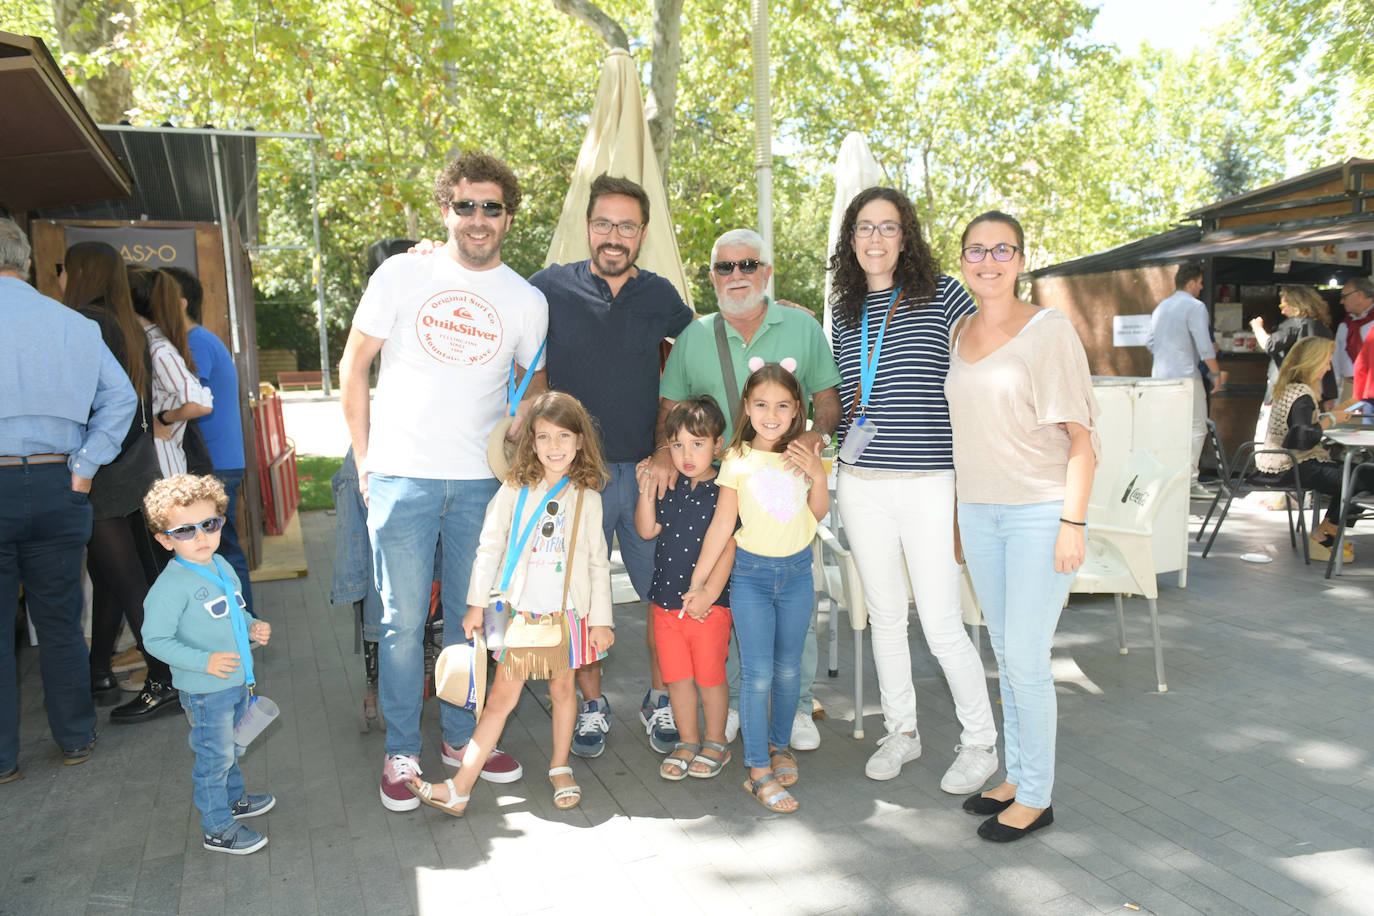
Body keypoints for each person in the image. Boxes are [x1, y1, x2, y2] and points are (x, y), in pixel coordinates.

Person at [339, 151, 547, 810]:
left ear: (508, 217)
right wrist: (366, 460)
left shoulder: (526, 298)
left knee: (472, 622)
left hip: (481, 487)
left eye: (491, 207)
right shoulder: (403, 273)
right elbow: (354, 366)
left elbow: (534, 379)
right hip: (402, 478)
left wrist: (525, 418)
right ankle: (402, 751)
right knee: (401, 624)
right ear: (444, 210)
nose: (478, 219)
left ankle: (461, 738)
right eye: (466, 205)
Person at [826, 187, 999, 790]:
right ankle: (901, 730)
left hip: (930, 482)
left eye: (888, 227)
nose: (875, 239)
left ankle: (980, 741)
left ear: (907, 237)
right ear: (851, 241)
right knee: (885, 617)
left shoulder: (943, 294)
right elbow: (847, 398)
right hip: (862, 483)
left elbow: (982, 366)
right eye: (864, 228)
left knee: (943, 623)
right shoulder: (845, 312)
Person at [650, 227, 841, 751]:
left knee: (795, 609)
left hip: (789, 488)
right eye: (724, 268)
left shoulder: (801, 327)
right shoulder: (694, 337)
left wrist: (815, 439)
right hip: (725, 489)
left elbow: (828, 397)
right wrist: (665, 454)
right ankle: (738, 703)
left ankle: (798, 706)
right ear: (712, 276)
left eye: (747, 265)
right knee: (733, 601)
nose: (736, 276)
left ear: (767, 271)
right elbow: (669, 410)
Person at [945, 211, 1099, 842]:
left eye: (1001, 249)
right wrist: (961, 512)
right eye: (976, 250)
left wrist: (1072, 521)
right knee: (1005, 653)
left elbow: (1083, 440)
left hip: (1040, 513)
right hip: (981, 514)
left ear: (1021, 260)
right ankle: (1016, 773)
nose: (988, 260)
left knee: (1026, 659)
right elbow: (966, 437)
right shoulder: (959, 330)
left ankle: (1036, 795)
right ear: (963, 262)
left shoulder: (1048, 329)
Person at [529, 174, 694, 759]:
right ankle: (592, 705)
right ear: (588, 226)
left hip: (651, 475)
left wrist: (667, 451)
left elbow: (699, 358)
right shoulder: (547, 288)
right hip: (577, 479)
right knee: (580, 600)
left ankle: (660, 699)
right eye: (604, 223)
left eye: (627, 225)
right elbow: (497, 316)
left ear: (642, 233)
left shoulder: (662, 296)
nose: (614, 236)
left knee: (664, 597)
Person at [405, 392, 614, 815]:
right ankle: (460, 786)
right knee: (500, 699)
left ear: (579, 441)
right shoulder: (514, 490)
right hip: (512, 612)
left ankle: (559, 767)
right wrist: (476, 604)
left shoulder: (588, 499)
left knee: (563, 689)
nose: (554, 446)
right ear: (530, 443)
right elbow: (489, 547)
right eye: (543, 437)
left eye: (563, 436)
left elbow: (597, 563)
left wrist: (601, 620)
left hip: (567, 615)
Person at [1, 218, 136, 782]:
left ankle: (4, 759)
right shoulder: (71, 324)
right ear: (27, 261)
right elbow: (122, 398)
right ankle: (75, 737)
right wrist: (83, 466)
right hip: (61, 484)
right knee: (59, 620)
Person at [687, 360, 828, 814]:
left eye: (783, 406)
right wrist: (700, 580)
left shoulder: (803, 456)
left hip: (797, 575)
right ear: (747, 407)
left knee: (789, 670)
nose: (772, 414)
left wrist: (819, 474)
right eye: (762, 404)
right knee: (759, 672)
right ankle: (756, 769)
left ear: (798, 411)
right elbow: (722, 525)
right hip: (751, 575)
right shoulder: (737, 459)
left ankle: (778, 744)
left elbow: (818, 513)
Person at [61, 242, 170, 719]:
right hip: (136, 467)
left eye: (64, 270)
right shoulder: (129, 325)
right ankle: (98, 668)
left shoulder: (86, 322)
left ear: (81, 272)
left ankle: (164, 679)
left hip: (104, 471)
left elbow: (92, 403)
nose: (60, 278)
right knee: (112, 578)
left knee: (128, 585)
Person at [140, 474, 275, 854]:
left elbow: (236, 613)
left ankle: (234, 800)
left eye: (209, 525)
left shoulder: (221, 566)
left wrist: (253, 627)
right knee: (214, 758)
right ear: (165, 539)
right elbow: (155, 641)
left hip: (235, 682)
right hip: (204, 691)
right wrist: (205, 661)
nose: (200, 537)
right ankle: (217, 827)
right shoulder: (170, 588)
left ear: (220, 523)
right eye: (185, 530)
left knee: (231, 747)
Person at [634, 396, 735, 780]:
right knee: (677, 678)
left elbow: (728, 545)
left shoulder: (725, 489)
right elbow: (647, 530)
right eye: (677, 445)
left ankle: (715, 742)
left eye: (697, 444)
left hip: (710, 607)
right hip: (665, 605)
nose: (686, 454)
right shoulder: (671, 485)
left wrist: (708, 594)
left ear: (718, 445)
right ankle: (688, 741)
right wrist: (646, 487)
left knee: (710, 677)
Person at [164, 266, 256, 615]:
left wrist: (162, 418)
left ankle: (244, 622)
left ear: (181, 303)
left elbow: (190, 401)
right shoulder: (199, 339)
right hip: (220, 462)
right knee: (222, 546)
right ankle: (243, 622)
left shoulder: (196, 342)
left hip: (215, 464)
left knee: (222, 548)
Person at [1257, 337, 1371, 563]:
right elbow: (1301, 438)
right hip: (1294, 465)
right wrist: (1330, 421)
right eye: (1326, 362)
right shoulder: (1303, 395)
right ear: (1312, 362)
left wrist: (1330, 418)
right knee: (1360, 474)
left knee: (1357, 472)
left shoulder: (1291, 388)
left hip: (1282, 463)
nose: (1328, 367)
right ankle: (1328, 529)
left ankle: (1327, 530)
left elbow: (1301, 431)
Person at [1147, 262, 1227, 498]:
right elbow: (1204, 346)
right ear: (1191, 283)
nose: (1202, 287)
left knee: (1167, 428)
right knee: (1196, 427)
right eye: (1201, 283)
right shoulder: (1195, 307)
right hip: (1186, 376)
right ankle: (1189, 481)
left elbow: (1150, 342)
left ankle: (1164, 477)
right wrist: (1215, 374)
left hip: (1160, 377)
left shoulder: (1161, 307)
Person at [129, 267, 213, 477]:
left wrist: (164, 418)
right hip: (151, 463)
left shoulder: (159, 350)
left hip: (163, 465)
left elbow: (201, 405)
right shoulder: (145, 345)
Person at [1250, 285, 1336, 441]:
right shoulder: (1325, 329)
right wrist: (1330, 395)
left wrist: (1257, 328)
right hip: (1312, 393)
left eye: (1283, 305)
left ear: (1296, 304)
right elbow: (1329, 366)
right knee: (1303, 438)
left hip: (1284, 391)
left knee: (1268, 439)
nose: (1282, 311)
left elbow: (1269, 345)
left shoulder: (1292, 324)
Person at [1333, 277, 1374, 408]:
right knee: (1347, 427)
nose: (1341, 301)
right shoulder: (1345, 325)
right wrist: (1334, 394)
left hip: (1371, 387)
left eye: (1345, 296)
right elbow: (1336, 361)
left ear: (1360, 294)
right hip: (1350, 387)